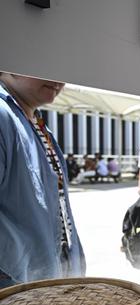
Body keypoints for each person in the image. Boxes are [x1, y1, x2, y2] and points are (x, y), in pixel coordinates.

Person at [0, 73, 85, 287]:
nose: (59, 78)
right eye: (45, 66)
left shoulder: (35, 122)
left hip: (46, 279)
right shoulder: (3, 117)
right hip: (16, 290)